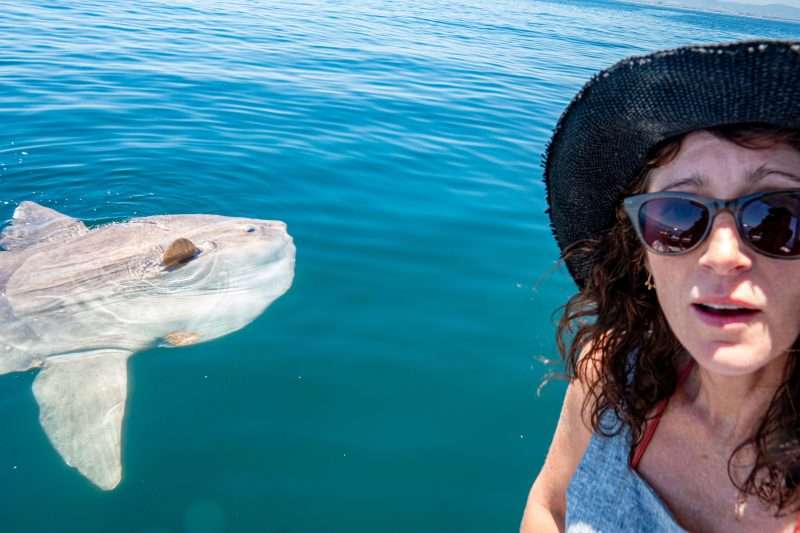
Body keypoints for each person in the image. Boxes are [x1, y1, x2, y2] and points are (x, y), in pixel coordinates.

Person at [521, 40, 800, 532]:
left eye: (778, 218)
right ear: (643, 254)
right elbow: (551, 506)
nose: (721, 256)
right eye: (676, 217)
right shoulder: (609, 376)